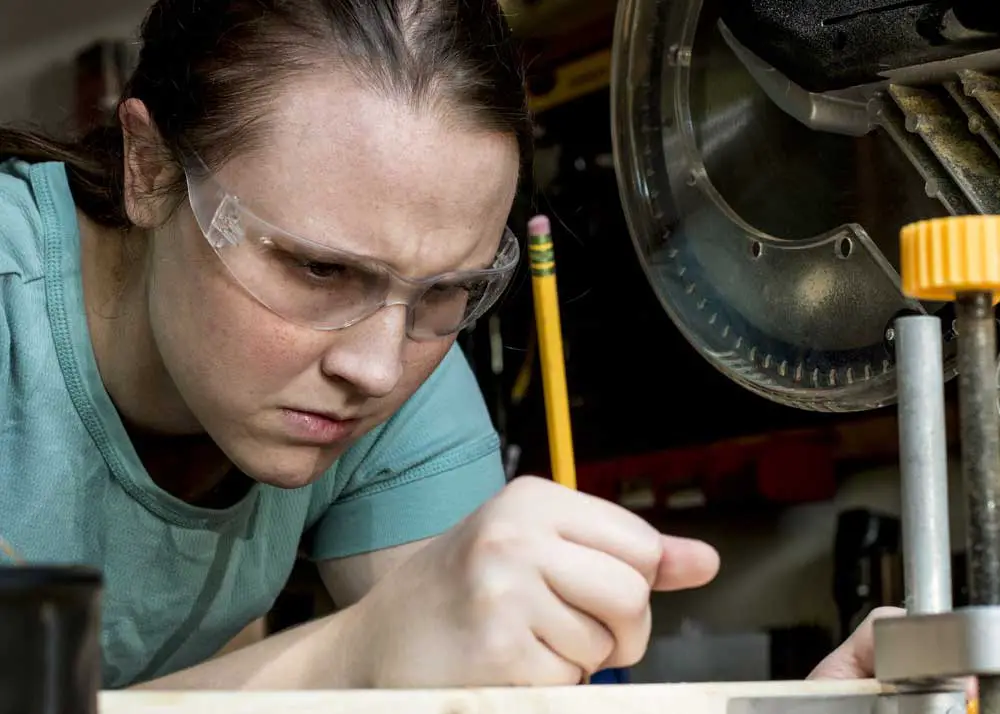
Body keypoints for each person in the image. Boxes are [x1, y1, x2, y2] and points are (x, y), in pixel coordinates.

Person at [0, 0, 892, 691]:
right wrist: (352, 657)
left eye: (448, 291)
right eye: (318, 269)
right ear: (150, 170)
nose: (379, 369)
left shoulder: (395, 368)